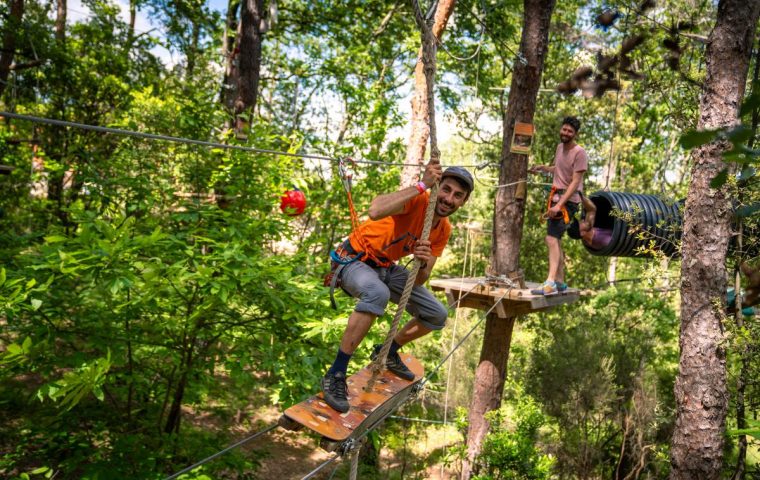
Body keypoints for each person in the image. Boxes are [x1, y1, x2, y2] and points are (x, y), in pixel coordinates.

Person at [321, 163, 474, 412]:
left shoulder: (442, 229)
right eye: (445, 190)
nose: (449, 199)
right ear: (437, 187)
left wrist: (422, 261)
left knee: (437, 314)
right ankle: (336, 373)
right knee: (377, 293)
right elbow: (374, 210)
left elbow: (421, 279)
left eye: (458, 196)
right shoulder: (418, 200)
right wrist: (421, 184)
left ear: (463, 202)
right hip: (353, 259)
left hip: (385, 267)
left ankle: (388, 351)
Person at [528, 116, 588, 295]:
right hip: (556, 197)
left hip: (568, 201)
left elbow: (575, 182)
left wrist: (559, 205)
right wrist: (544, 168)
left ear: (575, 134)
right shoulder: (559, 148)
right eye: (564, 129)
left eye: (570, 131)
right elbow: (561, 169)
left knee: (551, 239)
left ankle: (551, 282)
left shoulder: (580, 153)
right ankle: (560, 281)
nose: (566, 133)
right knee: (556, 239)